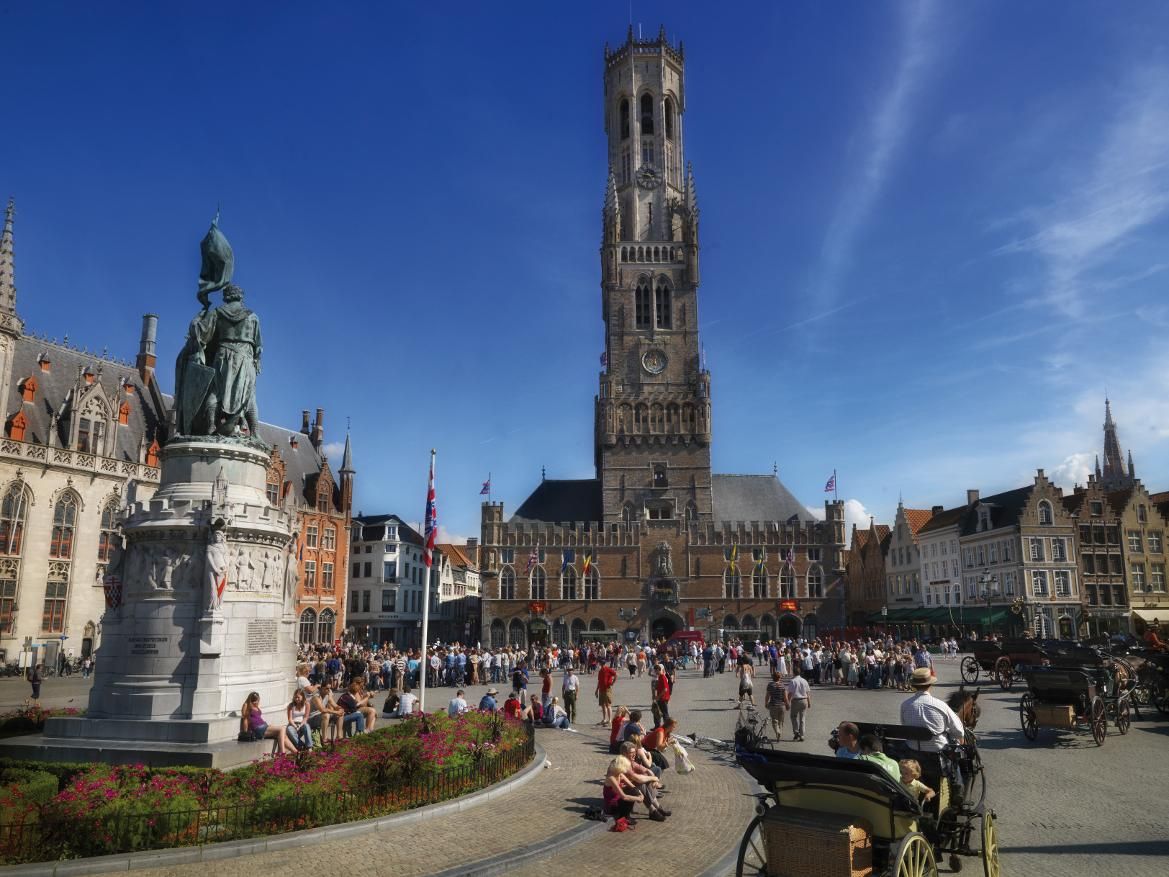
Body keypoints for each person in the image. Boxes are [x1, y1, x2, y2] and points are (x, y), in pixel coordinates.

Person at [900, 667, 964, 753]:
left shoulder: (905, 705)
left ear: (914, 685)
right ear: (930, 685)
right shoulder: (941, 705)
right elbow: (959, 732)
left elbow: (905, 725)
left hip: (912, 748)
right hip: (937, 750)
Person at [603, 756, 645, 822]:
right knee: (631, 795)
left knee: (633, 791)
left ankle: (626, 815)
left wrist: (640, 793)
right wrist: (638, 798)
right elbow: (624, 797)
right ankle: (624, 817)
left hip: (618, 801)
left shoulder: (619, 774)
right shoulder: (611, 778)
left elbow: (632, 786)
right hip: (611, 806)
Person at [785, 665, 811, 741]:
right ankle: (802, 735)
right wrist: (809, 702)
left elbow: (790, 693)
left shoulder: (793, 681)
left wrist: (788, 703)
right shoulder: (804, 681)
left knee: (793, 717)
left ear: (794, 673)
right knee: (802, 718)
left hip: (796, 700)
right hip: (804, 700)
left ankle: (796, 732)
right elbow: (808, 692)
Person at [764, 671, 787, 740]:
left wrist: (766, 703)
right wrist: (787, 704)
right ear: (779, 678)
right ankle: (779, 731)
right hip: (782, 705)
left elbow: (767, 695)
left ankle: (777, 731)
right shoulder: (783, 685)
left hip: (773, 705)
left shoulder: (770, 685)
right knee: (781, 721)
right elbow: (785, 697)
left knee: (774, 721)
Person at [596, 660, 617, 725]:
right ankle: (604, 719)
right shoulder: (600, 671)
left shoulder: (608, 669)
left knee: (608, 705)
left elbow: (616, 674)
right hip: (601, 689)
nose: (601, 664)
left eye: (601, 663)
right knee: (602, 705)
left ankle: (610, 720)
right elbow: (599, 681)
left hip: (607, 689)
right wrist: (597, 690)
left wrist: (613, 682)